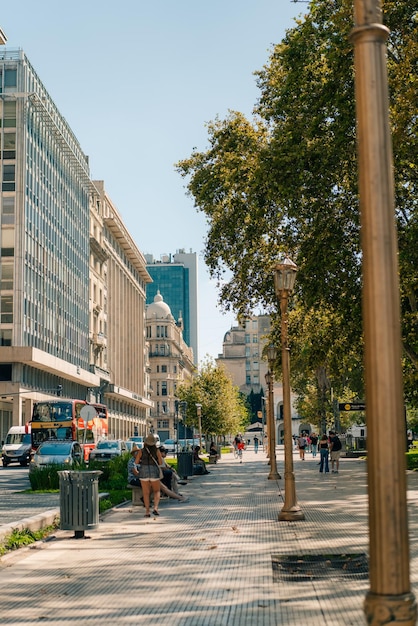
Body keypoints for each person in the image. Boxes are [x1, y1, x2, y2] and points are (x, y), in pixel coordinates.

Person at [135, 433, 163, 517]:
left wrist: (142, 462)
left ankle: (147, 511)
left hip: (143, 471)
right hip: (154, 470)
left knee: (146, 493)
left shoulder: (141, 451)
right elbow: (161, 462)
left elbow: (136, 462)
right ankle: (155, 508)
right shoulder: (157, 451)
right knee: (157, 490)